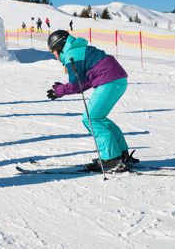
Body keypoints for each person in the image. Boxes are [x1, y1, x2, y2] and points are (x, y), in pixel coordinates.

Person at [45, 30, 138, 172]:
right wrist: (61, 90)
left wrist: (59, 91)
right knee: (98, 117)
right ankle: (121, 153)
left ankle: (111, 158)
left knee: (90, 118)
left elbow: (76, 85)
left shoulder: (71, 54)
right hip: (117, 79)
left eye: (53, 51)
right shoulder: (78, 49)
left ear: (59, 47)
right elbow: (85, 81)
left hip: (109, 81)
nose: (54, 55)